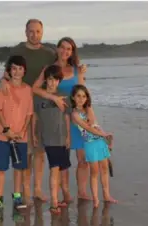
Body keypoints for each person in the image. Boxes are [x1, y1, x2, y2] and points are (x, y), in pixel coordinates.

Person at [0, 19, 87, 203]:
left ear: (42, 32)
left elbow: (66, 62)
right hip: (29, 104)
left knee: (48, 150)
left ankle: (42, 189)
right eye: (31, 31)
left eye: (38, 31)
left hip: (56, 112)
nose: (34, 34)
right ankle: (27, 190)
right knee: (31, 150)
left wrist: (81, 70)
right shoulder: (17, 51)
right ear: (25, 32)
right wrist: (2, 82)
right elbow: (8, 73)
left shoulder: (49, 53)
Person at [32, 37, 93, 200]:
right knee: (61, 160)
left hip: (77, 118)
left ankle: (82, 191)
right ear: (57, 49)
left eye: (69, 49)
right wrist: (54, 99)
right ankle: (64, 192)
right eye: (63, 47)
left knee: (82, 158)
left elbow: (84, 93)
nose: (65, 51)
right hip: (58, 120)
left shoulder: (76, 70)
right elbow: (35, 88)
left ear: (72, 52)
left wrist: (90, 114)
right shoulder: (49, 69)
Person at [0, 55, 33, 214]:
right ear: (9, 71)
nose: (17, 72)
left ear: (24, 70)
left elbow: (29, 114)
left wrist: (21, 132)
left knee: (19, 167)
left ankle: (17, 195)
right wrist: (7, 130)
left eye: (20, 68)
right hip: (2, 136)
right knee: (0, 167)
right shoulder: (4, 88)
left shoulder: (28, 90)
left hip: (20, 137)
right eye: (14, 68)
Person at [70, 84, 118, 208]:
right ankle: (96, 198)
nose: (81, 99)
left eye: (84, 96)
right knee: (94, 172)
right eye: (78, 96)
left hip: (100, 142)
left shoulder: (89, 109)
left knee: (105, 169)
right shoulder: (74, 114)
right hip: (90, 144)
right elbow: (87, 128)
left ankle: (106, 195)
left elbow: (94, 124)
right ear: (73, 97)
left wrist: (106, 138)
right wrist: (103, 134)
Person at [32, 65, 71, 214]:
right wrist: (34, 135)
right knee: (54, 170)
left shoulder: (64, 96)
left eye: (55, 80)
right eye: (49, 79)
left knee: (62, 169)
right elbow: (35, 117)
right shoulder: (39, 97)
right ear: (45, 80)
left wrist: (68, 136)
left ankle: (58, 198)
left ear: (59, 81)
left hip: (62, 138)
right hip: (49, 139)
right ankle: (54, 202)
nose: (52, 82)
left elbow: (67, 116)